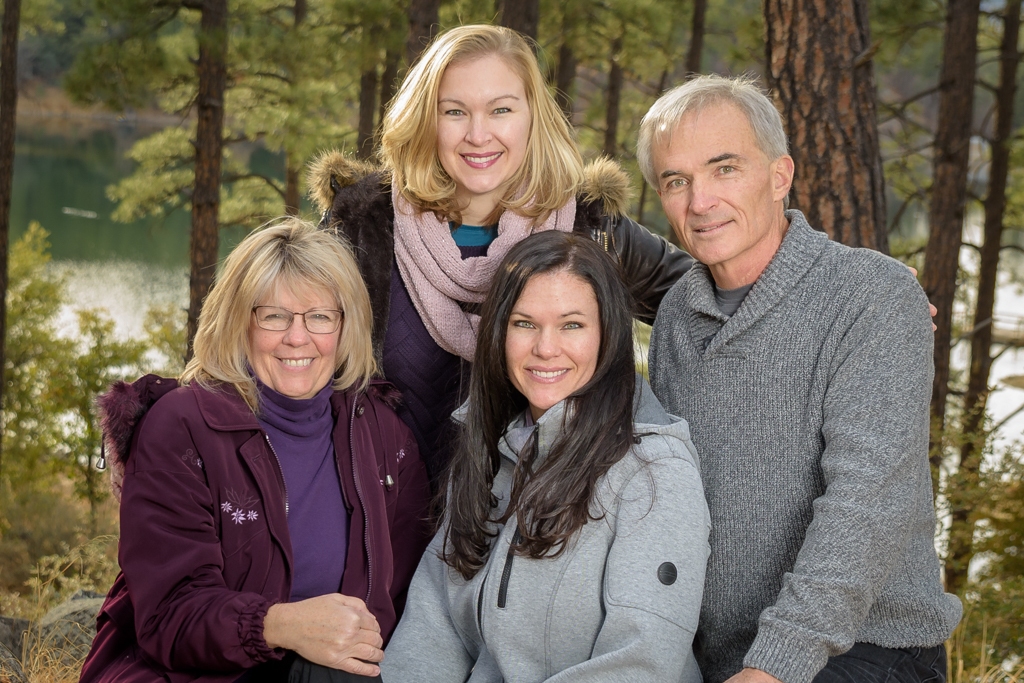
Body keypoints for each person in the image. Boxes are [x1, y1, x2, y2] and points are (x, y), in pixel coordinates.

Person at [638, 75, 962, 683]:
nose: (700, 201)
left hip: (864, 651)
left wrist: (775, 666)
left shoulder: (871, 295)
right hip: (721, 661)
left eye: (724, 169)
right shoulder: (679, 312)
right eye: (676, 181)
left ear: (779, 175)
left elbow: (866, 503)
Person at [306, 24, 692, 487]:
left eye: (501, 110)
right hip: (384, 518)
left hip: (540, 520)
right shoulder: (363, 224)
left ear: (533, 116)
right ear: (426, 119)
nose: (478, 134)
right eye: (454, 111)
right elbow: (281, 346)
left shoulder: (590, 228)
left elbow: (716, 308)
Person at [80, 218, 432, 682]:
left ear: (346, 326)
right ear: (239, 322)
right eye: (274, 316)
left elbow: (408, 602)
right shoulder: (182, 428)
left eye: (320, 317)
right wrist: (284, 626)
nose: (297, 337)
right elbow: (170, 616)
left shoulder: (383, 437)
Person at [379, 231, 710, 682]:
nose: (545, 348)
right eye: (524, 323)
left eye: (571, 325)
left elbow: (641, 664)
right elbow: (432, 626)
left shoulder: (654, 472)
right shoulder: (488, 451)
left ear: (608, 333)